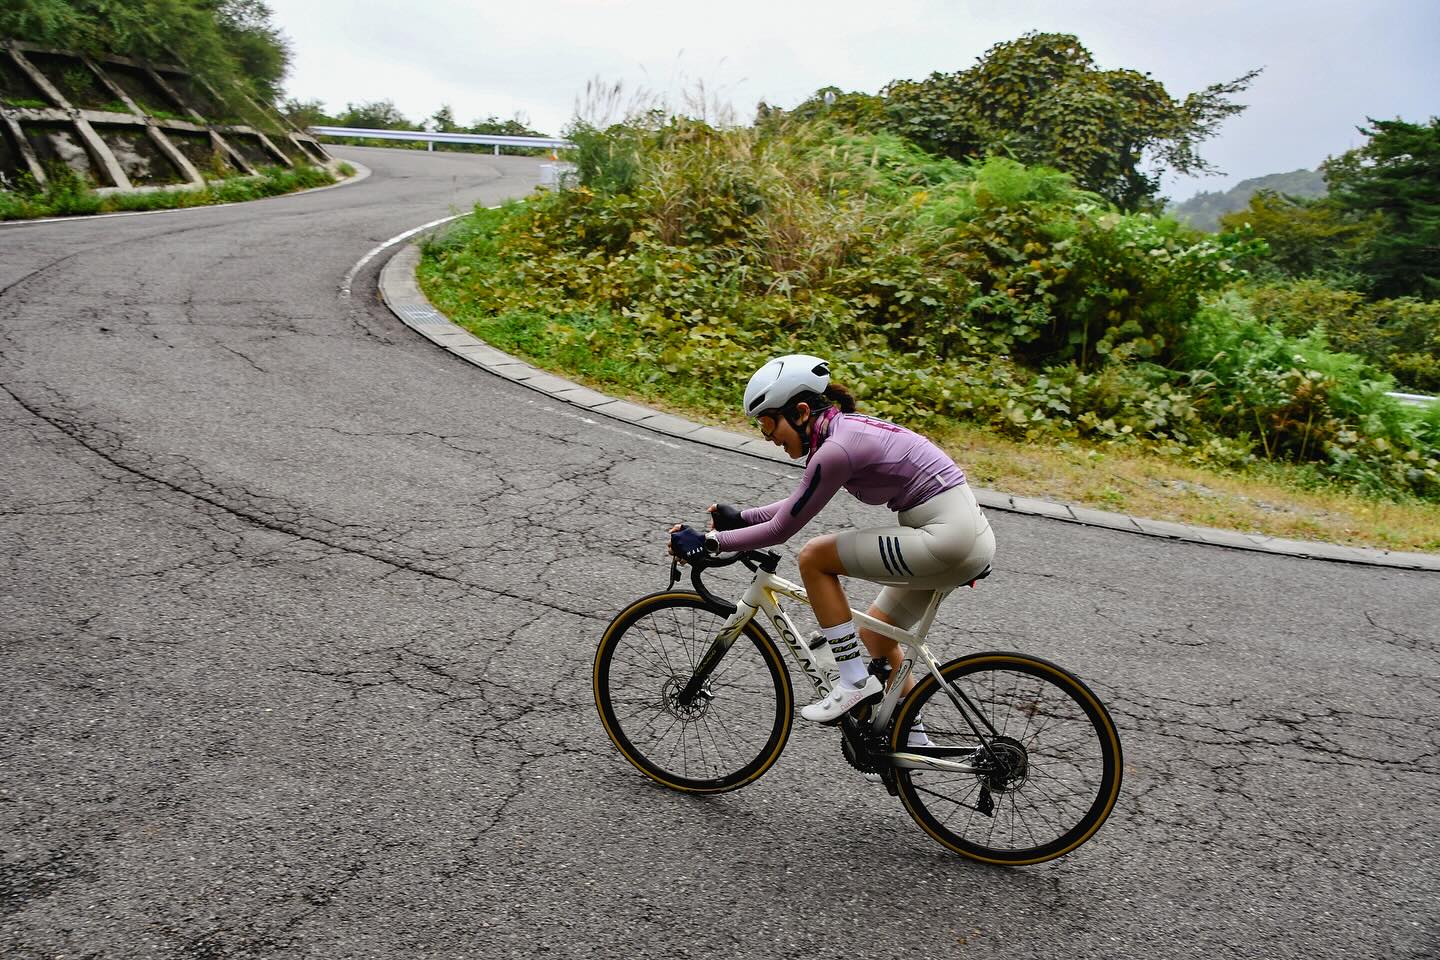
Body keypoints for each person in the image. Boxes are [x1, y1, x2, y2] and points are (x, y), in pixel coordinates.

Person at [669, 354, 995, 724]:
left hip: (946, 539)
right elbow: (798, 504)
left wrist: (710, 543)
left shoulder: (836, 450)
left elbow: (782, 529)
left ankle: (854, 681)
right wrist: (738, 520)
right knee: (876, 636)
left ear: (801, 412)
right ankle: (911, 740)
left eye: (767, 423)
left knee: (814, 558)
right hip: (959, 534)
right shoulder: (843, 434)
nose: (768, 437)